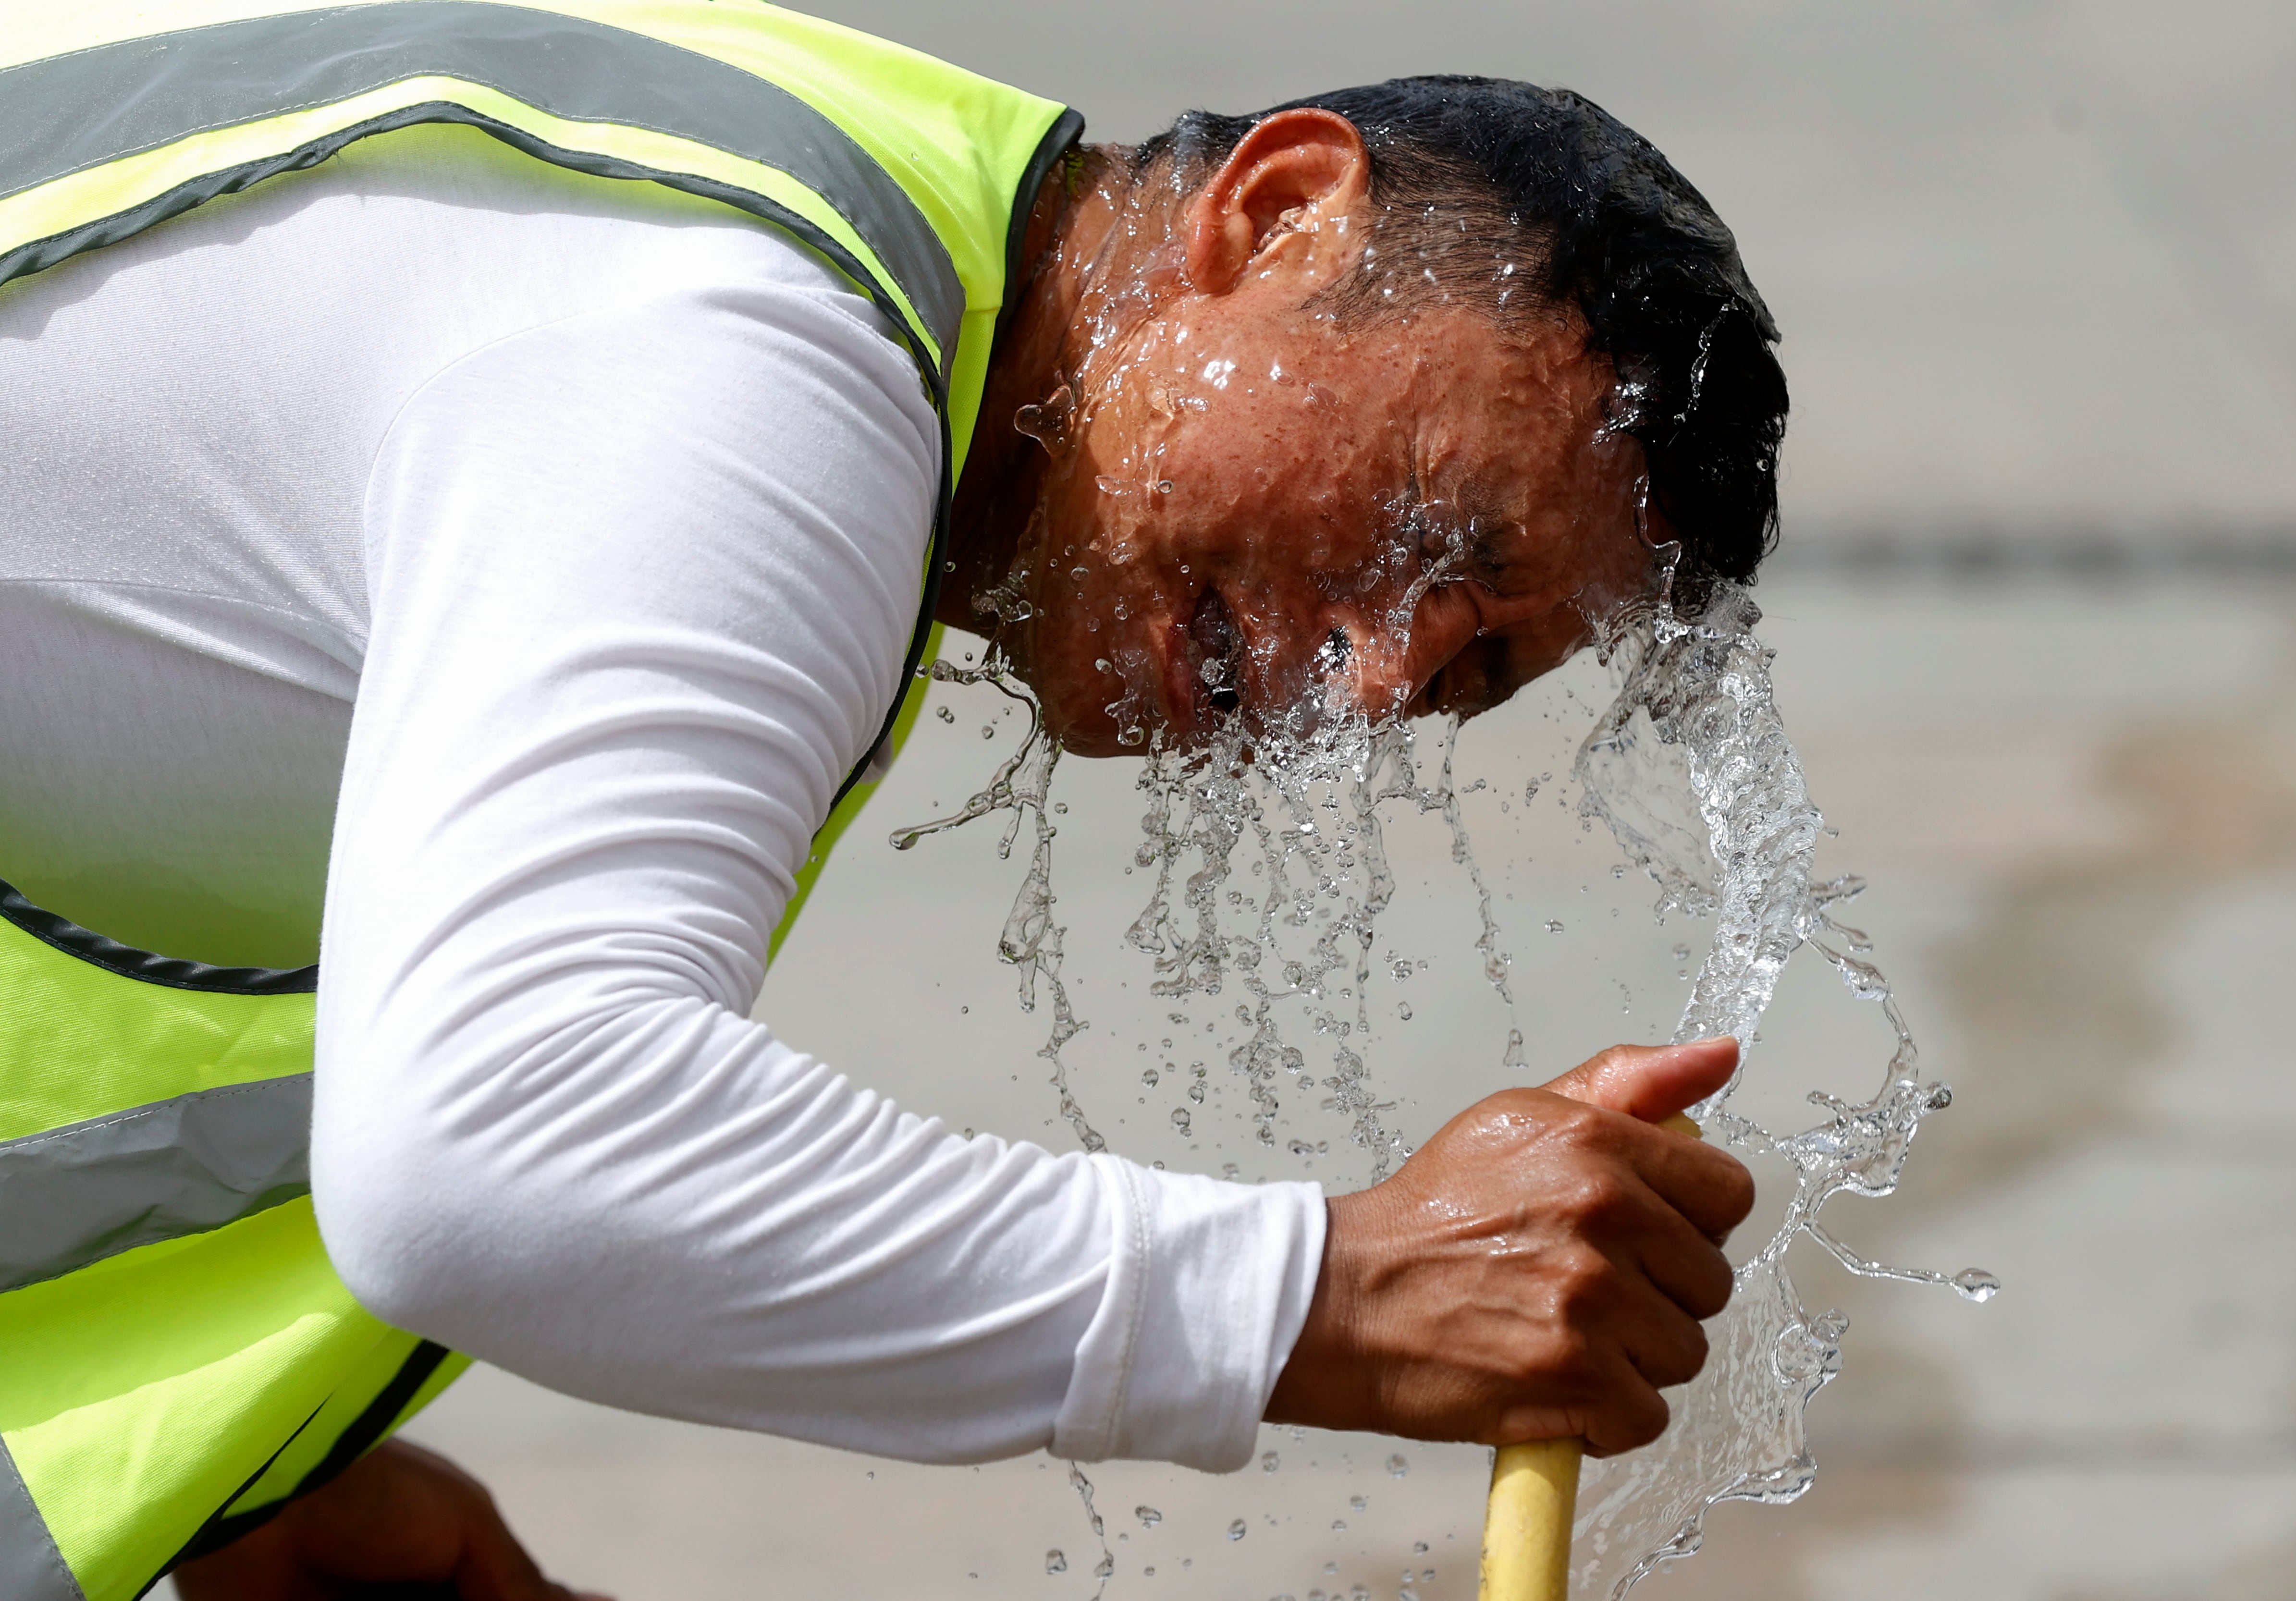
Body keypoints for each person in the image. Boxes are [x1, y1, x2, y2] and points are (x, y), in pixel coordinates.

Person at [0, 6, 1780, 1596]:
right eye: (1423, 529)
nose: (1379, 683)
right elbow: (489, 1144)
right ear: (1281, 212)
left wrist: (267, 1499)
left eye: (1467, 677)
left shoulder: (811, 218)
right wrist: (1325, 1296)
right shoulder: (762, 351)